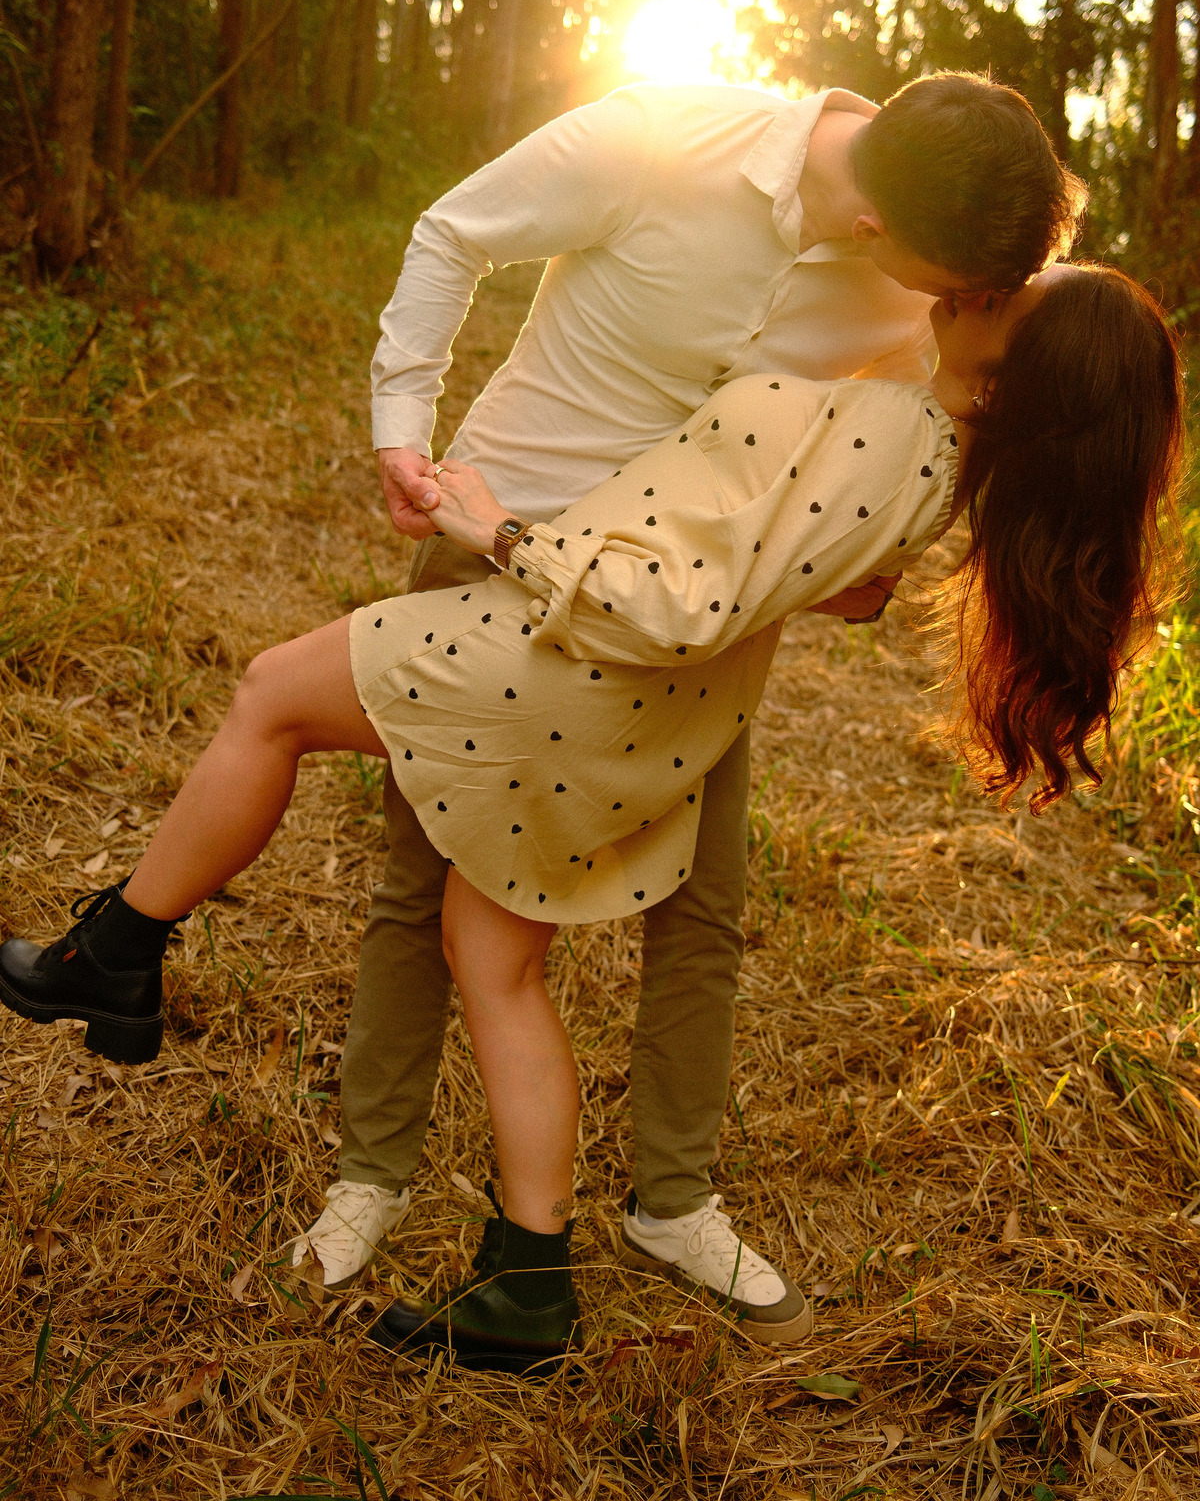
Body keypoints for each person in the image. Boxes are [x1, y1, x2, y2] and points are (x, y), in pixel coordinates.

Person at [0, 263, 1181, 1376]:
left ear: (1006, 383)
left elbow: (681, 607)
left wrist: (499, 532)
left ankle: (115, 955)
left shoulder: (890, 437)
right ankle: (528, 1280)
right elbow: (772, 563)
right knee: (494, 962)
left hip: (561, 663)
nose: (978, 284)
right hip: (633, 711)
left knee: (270, 698)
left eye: (1009, 296)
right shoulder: (936, 460)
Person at [310, 70, 1086, 1338]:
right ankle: (371, 1176)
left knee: (702, 904)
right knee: (421, 876)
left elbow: (895, 445)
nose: (957, 304)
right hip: (500, 544)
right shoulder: (661, 136)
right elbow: (454, 230)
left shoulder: (933, 265)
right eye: (956, 285)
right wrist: (404, 427)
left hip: (692, 624)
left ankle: (672, 1202)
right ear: (881, 228)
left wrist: (853, 566)